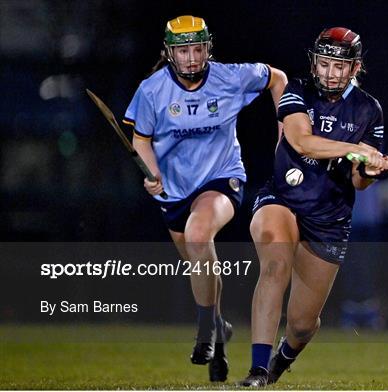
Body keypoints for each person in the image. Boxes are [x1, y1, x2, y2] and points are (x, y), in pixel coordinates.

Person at [122, 15, 287, 382]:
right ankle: (218, 332)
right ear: (170, 53)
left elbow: (278, 79)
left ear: (208, 48)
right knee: (202, 266)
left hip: (222, 177)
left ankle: (204, 333)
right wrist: (152, 173)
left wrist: (285, 132)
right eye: (184, 51)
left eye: (198, 48)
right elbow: (141, 140)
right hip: (174, 192)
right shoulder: (152, 90)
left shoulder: (231, 77)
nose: (192, 58)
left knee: (199, 236)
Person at [239, 27, 388, 387]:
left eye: (339, 66)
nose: (329, 72)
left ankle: (279, 361)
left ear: (356, 68)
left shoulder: (369, 110)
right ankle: (258, 370)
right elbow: (300, 141)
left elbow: (358, 181)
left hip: (329, 217)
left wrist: (370, 170)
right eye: (323, 63)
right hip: (282, 199)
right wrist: (351, 148)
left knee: (302, 324)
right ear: (314, 63)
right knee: (275, 264)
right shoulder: (298, 90)